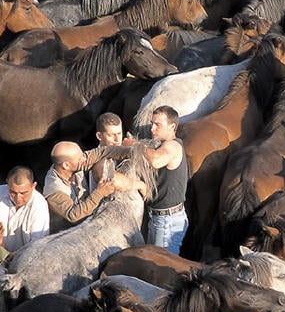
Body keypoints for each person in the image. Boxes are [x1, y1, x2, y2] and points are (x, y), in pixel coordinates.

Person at [43, 140, 142, 234]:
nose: (84, 159)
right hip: (70, 235)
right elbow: (73, 215)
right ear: (66, 165)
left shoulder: (77, 162)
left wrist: (135, 152)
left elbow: (103, 152)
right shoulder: (53, 189)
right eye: (80, 159)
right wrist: (100, 193)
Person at [143, 106, 189, 255]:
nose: (152, 129)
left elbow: (156, 161)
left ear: (172, 127)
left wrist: (136, 146)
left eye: (158, 125)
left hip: (166, 223)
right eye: (152, 124)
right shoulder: (165, 145)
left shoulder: (172, 146)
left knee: (160, 271)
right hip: (162, 219)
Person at [0, 166, 50, 252]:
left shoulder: (40, 204)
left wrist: (15, 256)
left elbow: (37, 244)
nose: (18, 198)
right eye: (13, 192)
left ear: (33, 186)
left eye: (23, 193)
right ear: (7, 183)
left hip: (25, 257)